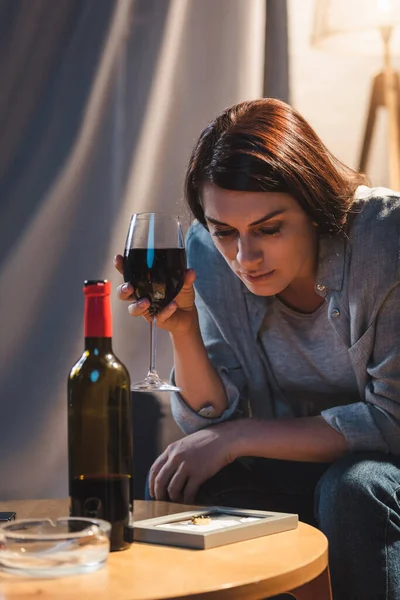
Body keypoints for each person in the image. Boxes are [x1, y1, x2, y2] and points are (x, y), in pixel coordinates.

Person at [114, 98, 400, 600]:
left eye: (269, 229)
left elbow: (391, 421)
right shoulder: (207, 254)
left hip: (382, 472)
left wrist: (236, 438)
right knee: (179, 481)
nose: (244, 258)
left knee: (352, 488)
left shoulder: (382, 237)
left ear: (313, 206)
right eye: (225, 231)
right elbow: (208, 424)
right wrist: (183, 331)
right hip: (292, 466)